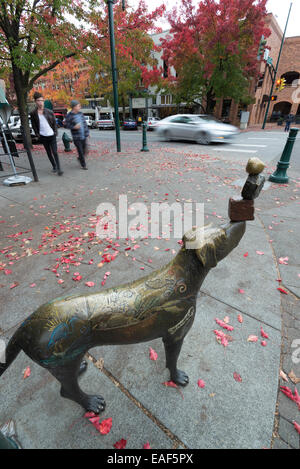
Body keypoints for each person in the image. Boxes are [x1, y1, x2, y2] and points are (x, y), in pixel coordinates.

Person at [30, 92, 63, 175]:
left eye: (42, 100)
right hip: (43, 136)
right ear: (35, 102)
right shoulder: (33, 113)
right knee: (48, 153)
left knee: (55, 152)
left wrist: (55, 132)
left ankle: (59, 169)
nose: (40, 102)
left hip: (51, 135)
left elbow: (54, 124)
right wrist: (38, 135)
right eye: (38, 100)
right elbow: (34, 126)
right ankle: (54, 166)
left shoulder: (49, 112)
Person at [65, 100, 89, 170]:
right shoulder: (69, 115)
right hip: (76, 137)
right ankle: (83, 165)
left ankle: (80, 158)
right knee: (80, 151)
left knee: (85, 151)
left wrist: (87, 133)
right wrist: (74, 127)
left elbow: (84, 124)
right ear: (74, 107)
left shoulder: (81, 114)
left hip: (83, 135)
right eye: (78, 106)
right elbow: (66, 125)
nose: (80, 107)